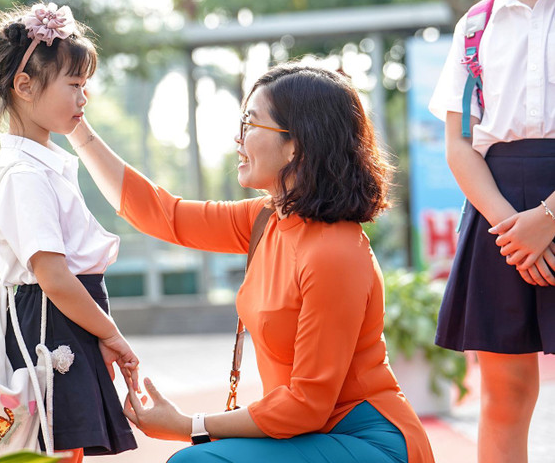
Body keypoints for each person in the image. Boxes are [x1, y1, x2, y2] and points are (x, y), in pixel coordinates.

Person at [67, 64, 434, 463]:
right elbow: (161, 214)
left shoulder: (334, 253)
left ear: (296, 145)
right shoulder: (266, 219)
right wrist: (73, 126)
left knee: (194, 461)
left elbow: (307, 404)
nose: (238, 138)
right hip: (307, 435)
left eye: (251, 123)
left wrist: (190, 425)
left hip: (369, 441)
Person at [428, 0, 555, 461]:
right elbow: (459, 144)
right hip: (497, 217)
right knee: (503, 397)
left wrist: (548, 218)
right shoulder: (472, 25)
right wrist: (513, 227)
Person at [0, 2, 139, 462]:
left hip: (65, 318)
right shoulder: (23, 173)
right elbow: (53, 276)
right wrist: (111, 333)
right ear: (25, 86)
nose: (83, 99)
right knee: (56, 450)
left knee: (63, 450)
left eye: (84, 85)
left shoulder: (40, 163)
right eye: (73, 85)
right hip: (52, 321)